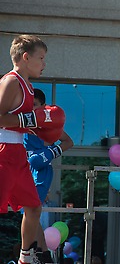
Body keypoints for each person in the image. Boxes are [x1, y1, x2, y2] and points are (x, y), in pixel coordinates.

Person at [0, 35, 55, 264]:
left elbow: (21, 121)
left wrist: (37, 127)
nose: (44, 64)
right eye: (40, 58)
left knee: (33, 207)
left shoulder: (29, 87)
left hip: (18, 155)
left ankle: (25, 257)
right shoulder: (11, 81)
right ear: (25, 57)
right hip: (3, 152)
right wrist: (30, 120)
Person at [24, 88, 74, 263]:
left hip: (40, 172)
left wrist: (49, 153)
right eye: (29, 105)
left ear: (43, 106)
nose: (32, 109)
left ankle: (38, 252)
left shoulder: (48, 124)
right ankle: (40, 251)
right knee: (29, 213)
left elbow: (69, 142)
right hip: (24, 170)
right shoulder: (22, 122)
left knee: (31, 211)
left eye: (35, 105)